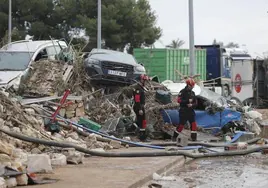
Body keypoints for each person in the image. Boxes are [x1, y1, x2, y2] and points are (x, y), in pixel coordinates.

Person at [133, 74, 149, 141]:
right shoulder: (138, 88)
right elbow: (137, 99)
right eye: (144, 80)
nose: (145, 82)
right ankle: (142, 137)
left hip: (140, 106)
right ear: (141, 80)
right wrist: (140, 109)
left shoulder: (140, 87)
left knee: (142, 122)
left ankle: (140, 136)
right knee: (142, 122)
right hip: (139, 107)